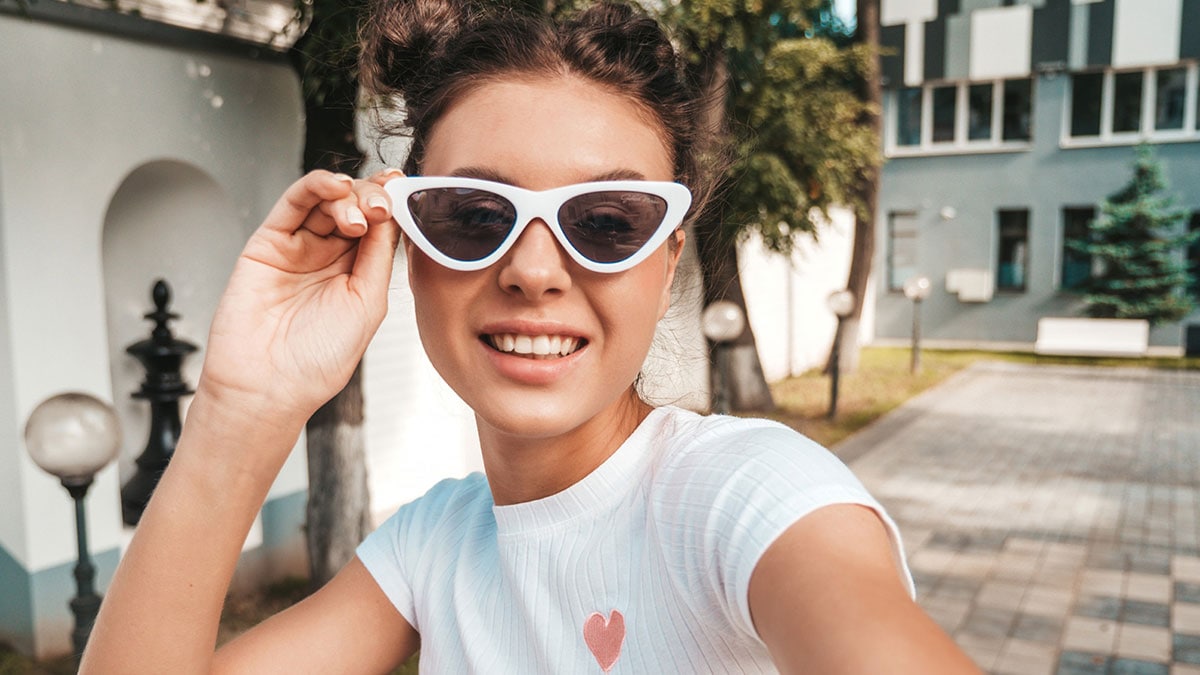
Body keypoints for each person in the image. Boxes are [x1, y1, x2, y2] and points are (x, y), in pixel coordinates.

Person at [83, 0, 982, 672]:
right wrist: (242, 408)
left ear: (668, 260)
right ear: (407, 241)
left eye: (607, 219)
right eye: (476, 214)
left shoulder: (744, 497)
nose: (535, 270)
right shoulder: (431, 545)